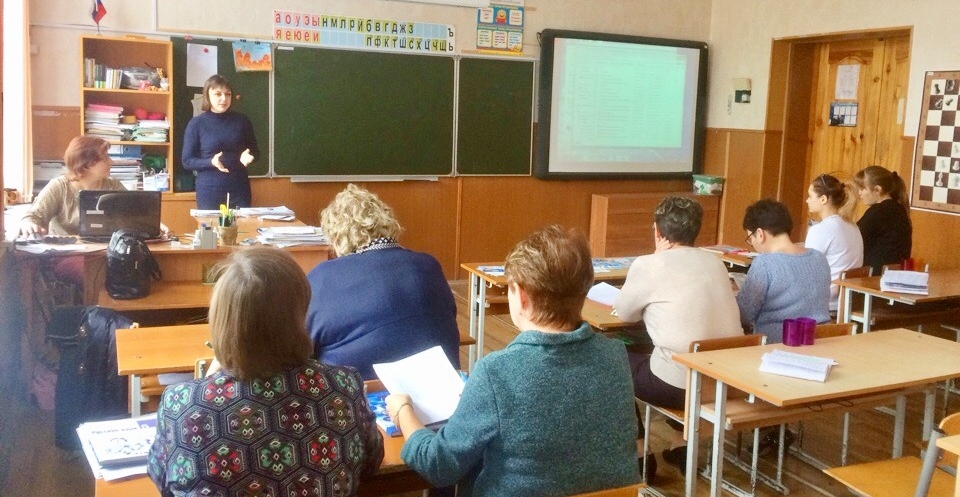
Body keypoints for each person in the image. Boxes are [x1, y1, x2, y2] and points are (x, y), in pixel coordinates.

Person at [385, 225, 639, 496]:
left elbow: (439, 465)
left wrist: (403, 412)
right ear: (585, 289)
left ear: (522, 296)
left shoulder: (496, 372)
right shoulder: (615, 355)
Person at [147, 247, 384, 496]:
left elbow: (163, 480)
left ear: (222, 319)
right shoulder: (343, 387)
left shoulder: (181, 404)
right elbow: (371, 462)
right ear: (300, 313)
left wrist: (206, 383)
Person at [614, 196, 743, 475]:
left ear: (657, 231)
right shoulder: (716, 263)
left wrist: (655, 258)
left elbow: (625, 314)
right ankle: (680, 445)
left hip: (678, 387)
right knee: (670, 355)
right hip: (724, 381)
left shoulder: (649, 264)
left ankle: (640, 452)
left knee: (611, 358)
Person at [305, 184, 460, 380]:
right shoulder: (429, 264)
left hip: (356, 392)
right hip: (440, 383)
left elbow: (301, 347)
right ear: (387, 223)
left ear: (336, 237)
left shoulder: (323, 276)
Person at [737, 199, 831, 343]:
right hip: (820, 342)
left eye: (750, 238)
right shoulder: (819, 257)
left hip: (780, 344)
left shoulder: (765, 263)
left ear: (760, 234)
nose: (753, 243)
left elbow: (744, 314)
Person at [19, 135, 125, 237]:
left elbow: (131, 214)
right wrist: (30, 225)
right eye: (105, 158)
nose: (111, 162)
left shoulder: (113, 185)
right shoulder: (59, 187)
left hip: (103, 247)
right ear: (85, 164)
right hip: (66, 248)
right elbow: (32, 216)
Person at [181, 74, 259, 210]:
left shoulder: (242, 121)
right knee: (212, 224)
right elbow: (187, 161)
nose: (224, 99)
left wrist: (250, 156)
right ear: (207, 95)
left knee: (241, 224)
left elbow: (256, 152)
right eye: (218, 94)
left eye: (228, 94)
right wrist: (210, 162)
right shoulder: (197, 124)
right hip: (209, 191)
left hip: (239, 189)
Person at [804, 173, 864, 312]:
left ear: (823, 199)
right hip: (847, 300)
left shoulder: (820, 229)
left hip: (825, 301)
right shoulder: (853, 226)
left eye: (810, 196)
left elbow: (806, 270)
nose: (807, 200)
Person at [853, 165, 912, 274]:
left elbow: (853, 238)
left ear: (877, 190)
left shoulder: (878, 211)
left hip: (875, 277)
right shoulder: (899, 209)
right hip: (894, 275)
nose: (859, 194)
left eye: (862, 189)